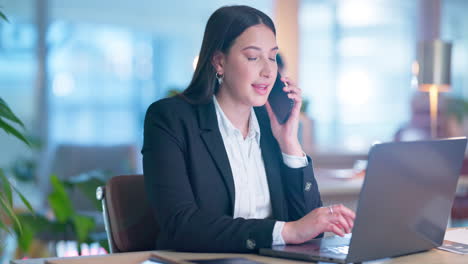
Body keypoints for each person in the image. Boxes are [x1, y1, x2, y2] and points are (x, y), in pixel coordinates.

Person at [142, 5, 355, 253]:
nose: (267, 71)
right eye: (253, 57)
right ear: (219, 62)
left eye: (273, 57)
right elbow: (180, 225)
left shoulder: (270, 124)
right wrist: (286, 231)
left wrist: (289, 142)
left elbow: (307, 225)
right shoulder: (170, 119)